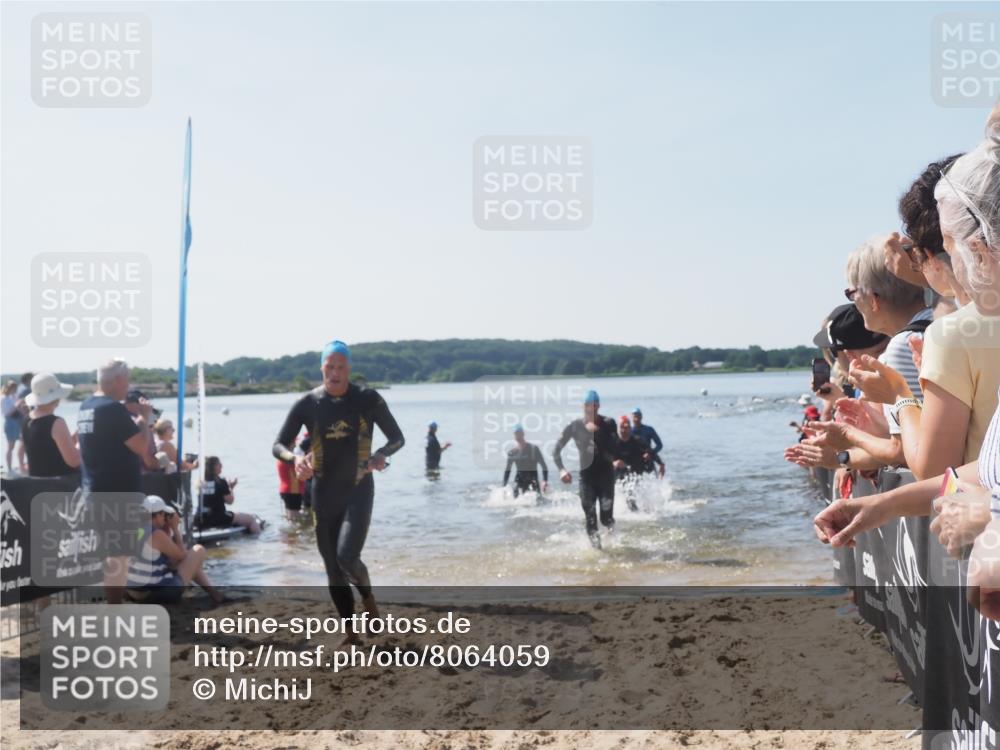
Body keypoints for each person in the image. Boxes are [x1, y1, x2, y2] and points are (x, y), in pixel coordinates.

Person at [273, 340, 405, 642]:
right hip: (323, 494)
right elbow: (278, 445)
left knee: (347, 557)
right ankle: (350, 633)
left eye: (340, 367)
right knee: (332, 567)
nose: (334, 373)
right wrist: (296, 459)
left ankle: (369, 602)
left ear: (349, 369)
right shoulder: (308, 403)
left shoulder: (367, 399)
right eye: (329, 367)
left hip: (358, 490)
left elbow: (397, 438)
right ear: (322, 368)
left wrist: (382, 454)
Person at [806, 237, 932, 471]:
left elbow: (905, 451)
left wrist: (848, 437)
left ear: (873, 299)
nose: (854, 303)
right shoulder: (942, 323)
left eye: (852, 293)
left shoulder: (901, 347)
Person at [77, 358, 161, 604]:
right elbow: (140, 446)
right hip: (116, 492)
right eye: (127, 380)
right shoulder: (111, 409)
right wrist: (144, 420)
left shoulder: (86, 405)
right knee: (118, 554)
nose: (128, 386)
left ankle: (115, 607)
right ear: (118, 380)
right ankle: (115, 610)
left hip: (96, 488)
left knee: (114, 553)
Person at [127, 495, 223, 604]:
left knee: (186, 560)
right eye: (163, 514)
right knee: (198, 550)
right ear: (157, 515)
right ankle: (215, 594)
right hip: (152, 594)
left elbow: (169, 559)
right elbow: (181, 555)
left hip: (133, 591)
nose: (165, 518)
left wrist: (167, 531)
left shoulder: (137, 529)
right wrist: (175, 529)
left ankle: (214, 593)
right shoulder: (156, 534)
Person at [553, 390, 618, 549]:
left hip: (606, 477)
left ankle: (611, 534)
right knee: (590, 517)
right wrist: (562, 470)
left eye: (595, 406)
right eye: (588, 405)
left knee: (606, 517)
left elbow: (615, 449)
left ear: (599, 406)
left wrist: (599, 434)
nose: (592, 409)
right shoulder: (574, 426)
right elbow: (555, 451)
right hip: (586, 478)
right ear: (583, 406)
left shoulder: (609, 423)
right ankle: (598, 551)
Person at [22, 373, 80, 478]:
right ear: (56, 397)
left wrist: (73, 439)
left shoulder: (26, 420)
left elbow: (46, 450)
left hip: (37, 487)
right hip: (60, 487)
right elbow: (74, 461)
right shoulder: (56, 423)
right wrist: (82, 444)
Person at [613, 416, 665, 511]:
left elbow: (650, 452)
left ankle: (639, 514)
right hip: (619, 474)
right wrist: (614, 462)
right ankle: (632, 513)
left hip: (634, 472)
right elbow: (604, 457)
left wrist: (661, 463)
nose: (624, 430)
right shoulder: (613, 442)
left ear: (630, 428)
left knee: (632, 494)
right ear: (618, 428)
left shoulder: (638, 441)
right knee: (625, 493)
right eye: (622, 427)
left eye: (626, 427)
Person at [199, 456, 260, 533]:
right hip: (218, 517)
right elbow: (230, 501)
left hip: (202, 518)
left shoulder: (199, 482)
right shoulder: (221, 482)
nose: (221, 466)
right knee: (251, 519)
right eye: (219, 464)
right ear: (214, 467)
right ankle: (258, 540)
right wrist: (231, 488)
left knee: (236, 514)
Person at [502, 424, 549, 497]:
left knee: (539, 501)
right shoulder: (512, 453)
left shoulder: (534, 449)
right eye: (515, 433)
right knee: (516, 500)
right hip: (519, 482)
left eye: (519, 433)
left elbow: (544, 466)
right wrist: (504, 487)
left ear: (523, 434)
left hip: (533, 481)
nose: (517, 435)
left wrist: (544, 481)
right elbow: (507, 471)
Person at [277, 433, 308, 520]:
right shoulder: (291, 458)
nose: (295, 445)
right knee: (295, 518)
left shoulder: (282, 456)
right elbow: (297, 474)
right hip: (293, 490)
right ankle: (294, 533)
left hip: (286, 490)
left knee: (290, 517)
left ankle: (290, 533)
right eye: (294, 443)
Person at [629, 408, 663, 472]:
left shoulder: (649, 429)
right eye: (635, 415)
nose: (636, 417)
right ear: (631, 417)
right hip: (634, 460)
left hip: (647, 459)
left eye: (638, 415)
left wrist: (650, 454)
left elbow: (659, 445)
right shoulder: (628, 431)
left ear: (641, 416)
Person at [2, 380, 22, 473]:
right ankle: (9, 469)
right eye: (14, 388)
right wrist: (16, 405)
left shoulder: (13, 397)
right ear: (9, 388)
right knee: (10, 447)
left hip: (17, 422)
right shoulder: (3, 399)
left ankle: (18, 466)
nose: (15, 390)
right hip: (10, 423)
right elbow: (7, 413)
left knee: (19, 444)